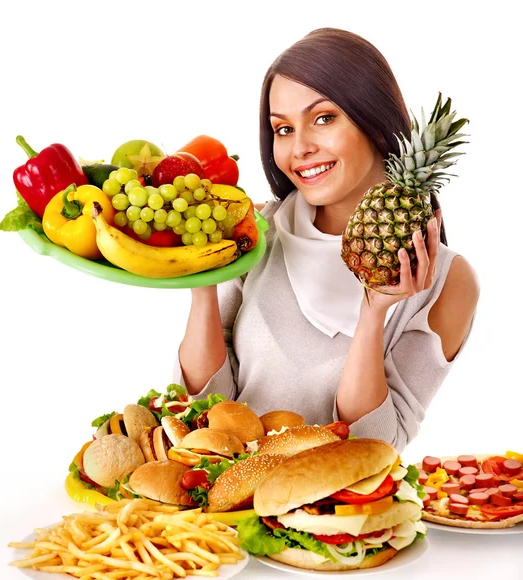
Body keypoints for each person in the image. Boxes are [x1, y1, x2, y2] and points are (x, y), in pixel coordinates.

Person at [173, 28, 479, 452]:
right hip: (223, 501)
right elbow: (201, 408)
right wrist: (201, 286)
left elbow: (374, 447)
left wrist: (373, 315)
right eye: (282, 129)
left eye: (323, 118)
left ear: (372, 119)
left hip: (333, 515)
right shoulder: (258, 229)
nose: (299, 148)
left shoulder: (446, 278)